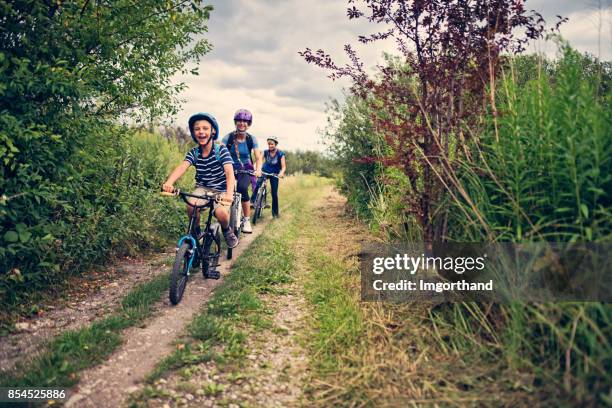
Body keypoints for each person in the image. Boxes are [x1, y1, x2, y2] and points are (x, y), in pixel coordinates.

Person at [162, 112, 239, 250]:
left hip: (221, 189)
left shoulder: (221, 150)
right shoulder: (194, 153)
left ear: (213, 131)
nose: (201, 132)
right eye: (197, 129)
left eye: (205, 128)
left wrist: (228, 194)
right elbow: (182, 167)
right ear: (193, 132)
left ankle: (227, 230)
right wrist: (169, 183)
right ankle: (196, 233)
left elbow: (229, 173)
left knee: (221, 212)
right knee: (191, 205)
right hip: (203, 188)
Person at [221, 108, 262, 233]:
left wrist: (258, 169)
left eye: (245, 121)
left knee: (243, 189)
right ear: (235, 122)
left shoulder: (251, 139)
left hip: (245, 169)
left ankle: (246, 220)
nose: (242, 123)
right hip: (229, 168)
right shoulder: (228, 138)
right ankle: (223, 216)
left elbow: (258, 157)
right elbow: (220, 154)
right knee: (223, 191)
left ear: (248, 124)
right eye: (239, 121)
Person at [252, 137, 286, 218]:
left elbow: (283, 167)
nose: (270, 146)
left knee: (274, 193)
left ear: (275, 144)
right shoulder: (265, 152)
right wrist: (257, 170)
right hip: (264, 171)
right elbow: (259, 160)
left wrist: (281, 173)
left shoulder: (280, 154)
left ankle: (275, 213)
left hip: (274, 174)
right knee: (258, 183)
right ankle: (252, 201)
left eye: (272, 144)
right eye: (269, 144)